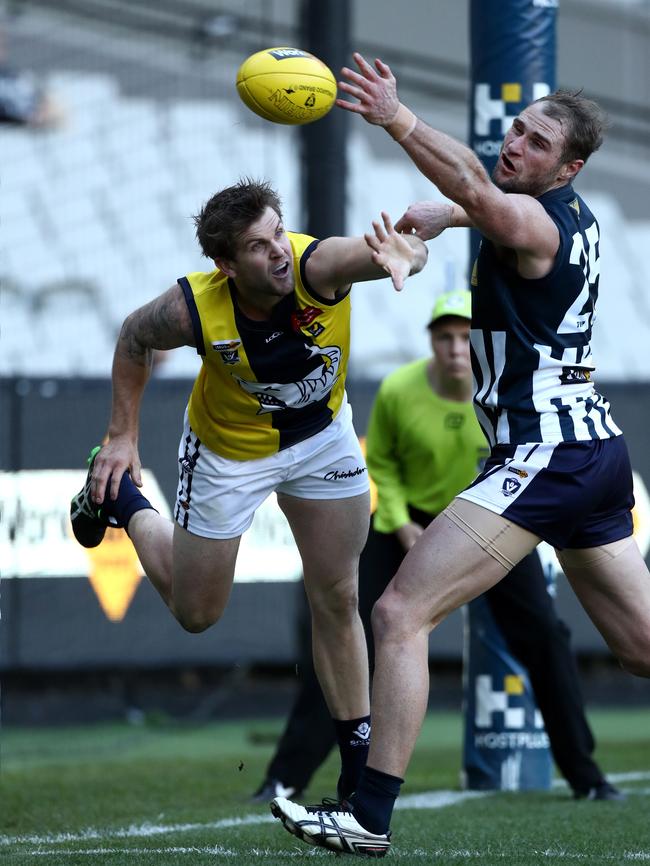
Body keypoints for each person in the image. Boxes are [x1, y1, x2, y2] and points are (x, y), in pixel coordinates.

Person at [271, 55, 650, 857]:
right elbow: (485, 204)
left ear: (570, 168)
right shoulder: (555, 217)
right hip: (590, 450)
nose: (517, 145)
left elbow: (485, 194)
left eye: (537, 142)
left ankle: (367, 816)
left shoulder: (534, 220)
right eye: (516, 129)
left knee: (398, 614)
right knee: (641, 651)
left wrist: (396, 119)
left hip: (545, 450)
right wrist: (450, 218)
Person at [69, 178, 427, 803]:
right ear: (226, 265)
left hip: (321, 441)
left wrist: (408, 257)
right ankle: (121, 494)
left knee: (339, 596)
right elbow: (133, 337)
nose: (278, 253)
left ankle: (355, 772)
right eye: (258, 247)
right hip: (228, 453)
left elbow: (396, 249)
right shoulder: (193, 308)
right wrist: (121, 435)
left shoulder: (318, 264)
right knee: (196, 613)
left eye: (277, 232)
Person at [254, 289, 622, 805]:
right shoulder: (401, 390)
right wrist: (403, 524)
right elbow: (379, 462)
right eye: (443, 336)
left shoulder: (507, 391)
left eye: (463, 337)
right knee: (347, 635)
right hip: (406, 524)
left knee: (545, 636)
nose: (454, 348)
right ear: (431, 342)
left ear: (480, 342)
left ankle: (587, 776)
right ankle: (284, 776)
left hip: (492, 520)